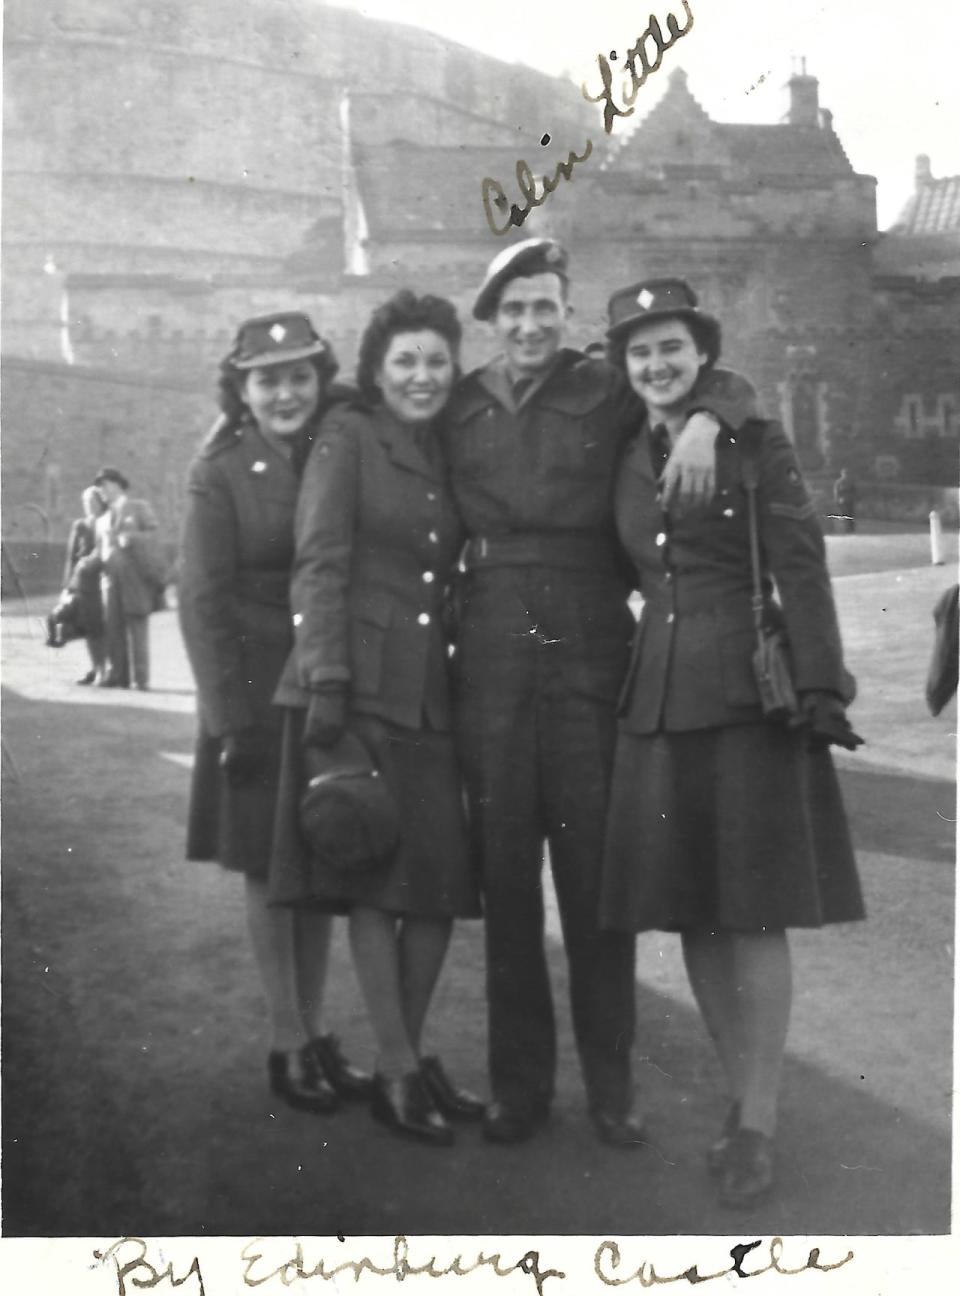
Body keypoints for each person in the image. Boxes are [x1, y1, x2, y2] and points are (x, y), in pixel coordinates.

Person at [441, 239, 759, 1147]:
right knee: (506, 887)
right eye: (515, 311)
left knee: (595, 889)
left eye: (547, 307)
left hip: (587, 648)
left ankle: (612, 1090)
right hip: (492, 654)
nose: (533, 324)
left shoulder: (607, 389)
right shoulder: (460, 406)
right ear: (492, 322)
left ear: (565, 315)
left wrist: (706, 423)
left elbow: (716, 381)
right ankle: (518, 1089)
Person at [599, 278, 865, 1207]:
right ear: (623, 366)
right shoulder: (624, 449)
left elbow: (802, 559)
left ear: (701, 353)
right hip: (659, 695)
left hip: (750, 695)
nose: (657, 365)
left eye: (671, 347)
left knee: (753, 909)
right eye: (640, 353)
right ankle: (737, 1092)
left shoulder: (752, 437)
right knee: (693, 910)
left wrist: (824, 683)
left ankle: (759, 1118)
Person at [272, 291, 482, 1147]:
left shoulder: (445, 445)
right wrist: (327, 683)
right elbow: (318, 561)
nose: (423, 376)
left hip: (429, 689)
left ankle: (409, 1051)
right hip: (354, 687)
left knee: (434, 889)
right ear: (377, 369)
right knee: (373, 879)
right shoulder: (348, 436)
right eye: (406, 361)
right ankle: (397, 1069)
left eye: (437, 361)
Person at [178, 312, 370, 1114]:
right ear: (242, 388)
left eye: (299, 375)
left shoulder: (343, 438)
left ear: (319, 379)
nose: (286, 392)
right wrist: (230, 724)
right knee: (266, 867)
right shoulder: (218, 469)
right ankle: (286, 1038)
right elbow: (199, 602)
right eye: (268, 378)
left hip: (326, 678)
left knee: (321, 853)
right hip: (255, 695)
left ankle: (319, 1030)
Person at [94, 466, 164, 689]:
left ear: (116, 485)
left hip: (134, 580)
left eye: (103, 486)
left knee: (137, 628)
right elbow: (100, 550)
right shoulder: (102, 519)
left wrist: (131, 537)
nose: (101, 491)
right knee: (113, 628)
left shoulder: (138, 508)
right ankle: (118, 676)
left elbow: (155, 535)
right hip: (110, 581)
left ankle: (141, 679)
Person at [47, 485, 108, 682]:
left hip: (103, 583)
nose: (90, 506)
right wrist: (66, 587)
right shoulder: (80, 526)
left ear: (101, 503)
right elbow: (71, 558)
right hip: (83, 585)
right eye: (86, 502)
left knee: (102, 630)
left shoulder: (107, 523)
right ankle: (95, 668)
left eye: (93, 502)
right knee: (88, 628)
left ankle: (104, 670)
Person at [833, 467, 857, 534]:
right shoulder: (839, 482)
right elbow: (836, 491)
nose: (846, 475)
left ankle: (851, 528)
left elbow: (854, 491)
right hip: (842, 501)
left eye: (847, 473)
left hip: (850, 500)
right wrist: (837, 499)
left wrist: (855, 497)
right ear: (842, 474)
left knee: (851, 514)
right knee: (844, 514)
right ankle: (846, 528)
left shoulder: (851, 482)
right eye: (844, 473)